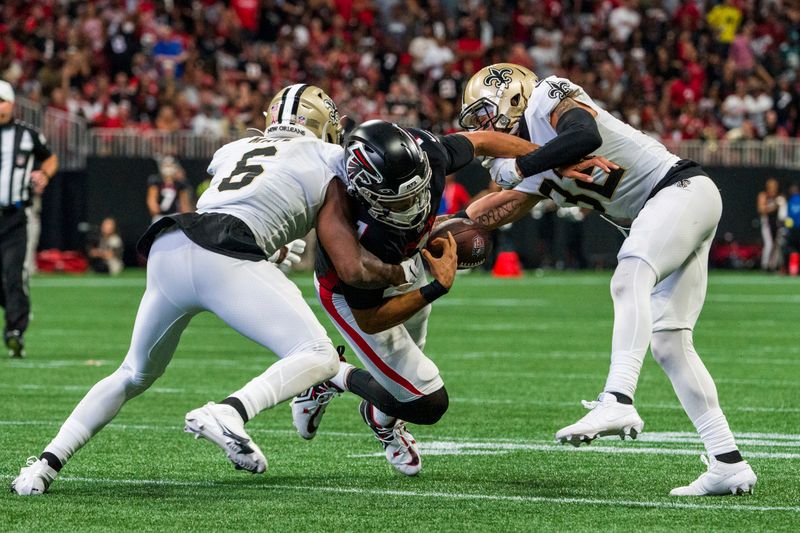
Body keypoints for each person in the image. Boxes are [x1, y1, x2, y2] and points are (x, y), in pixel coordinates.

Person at [11, 84, 415, 496]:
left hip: (172, 245)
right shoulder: (331, 158)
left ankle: (43, 467)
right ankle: (228, 411)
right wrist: (404, 270)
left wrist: (270, 242)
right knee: (320, 355)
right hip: (224, 255)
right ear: (325, 125)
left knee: (132, 373)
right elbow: (343, 251)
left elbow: (248, 197)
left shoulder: (234, 149)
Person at [457, 63, 756, 496]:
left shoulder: (548, 97)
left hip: (679, 189)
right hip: (668, 212)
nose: (485, 126)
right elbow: (495, 211)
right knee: (670, 343)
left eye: (486, 113)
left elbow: (584, 137)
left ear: (515, 95)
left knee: (629, 273)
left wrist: (523, 167)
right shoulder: (532, 160)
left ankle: (617, 399)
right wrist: (439, 228)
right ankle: (728, 461)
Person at [289, 120, 602, 475]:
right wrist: (435, 288)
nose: (413, 203)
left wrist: (547, 160)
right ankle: (333, 375)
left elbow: (481, 140)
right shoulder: (351, 228)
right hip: (356, 295)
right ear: (365, 192)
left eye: (417, 191)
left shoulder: (428, 154)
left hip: (407, 262)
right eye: (401, 197)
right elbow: (372, 317)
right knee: (426, 403)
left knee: (402, 380)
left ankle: (382, 420)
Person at [0, 80, 58, 358]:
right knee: (5, 278)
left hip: (14, 215)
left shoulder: (27, 134)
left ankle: (15, 331)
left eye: (2, 101)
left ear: (13, 104)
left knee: (15, 272)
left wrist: (43, 174)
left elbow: (50, 159)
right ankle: (15, 313)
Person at [146, 156, 191, 223]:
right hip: (159, 216)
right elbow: (152, 200)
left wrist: (187, 217)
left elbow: (184, 204)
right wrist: (155, 208)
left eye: (171, 165)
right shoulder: (156, 181)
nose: (168, 169)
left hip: (175, 215)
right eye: (166, 165)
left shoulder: (180, 184)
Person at [757, 178, 786, 272]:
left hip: (777, 224)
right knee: (769, 244)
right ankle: (765, 265)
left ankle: (773, 266)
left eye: (774, 186)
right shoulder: (763, 195)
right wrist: (774, 206)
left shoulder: (779, 197)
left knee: (777, 245)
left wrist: (781, 204)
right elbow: (761, 210)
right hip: (767, 223)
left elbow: (783, 213)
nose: (773, 188)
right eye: (771, 186)